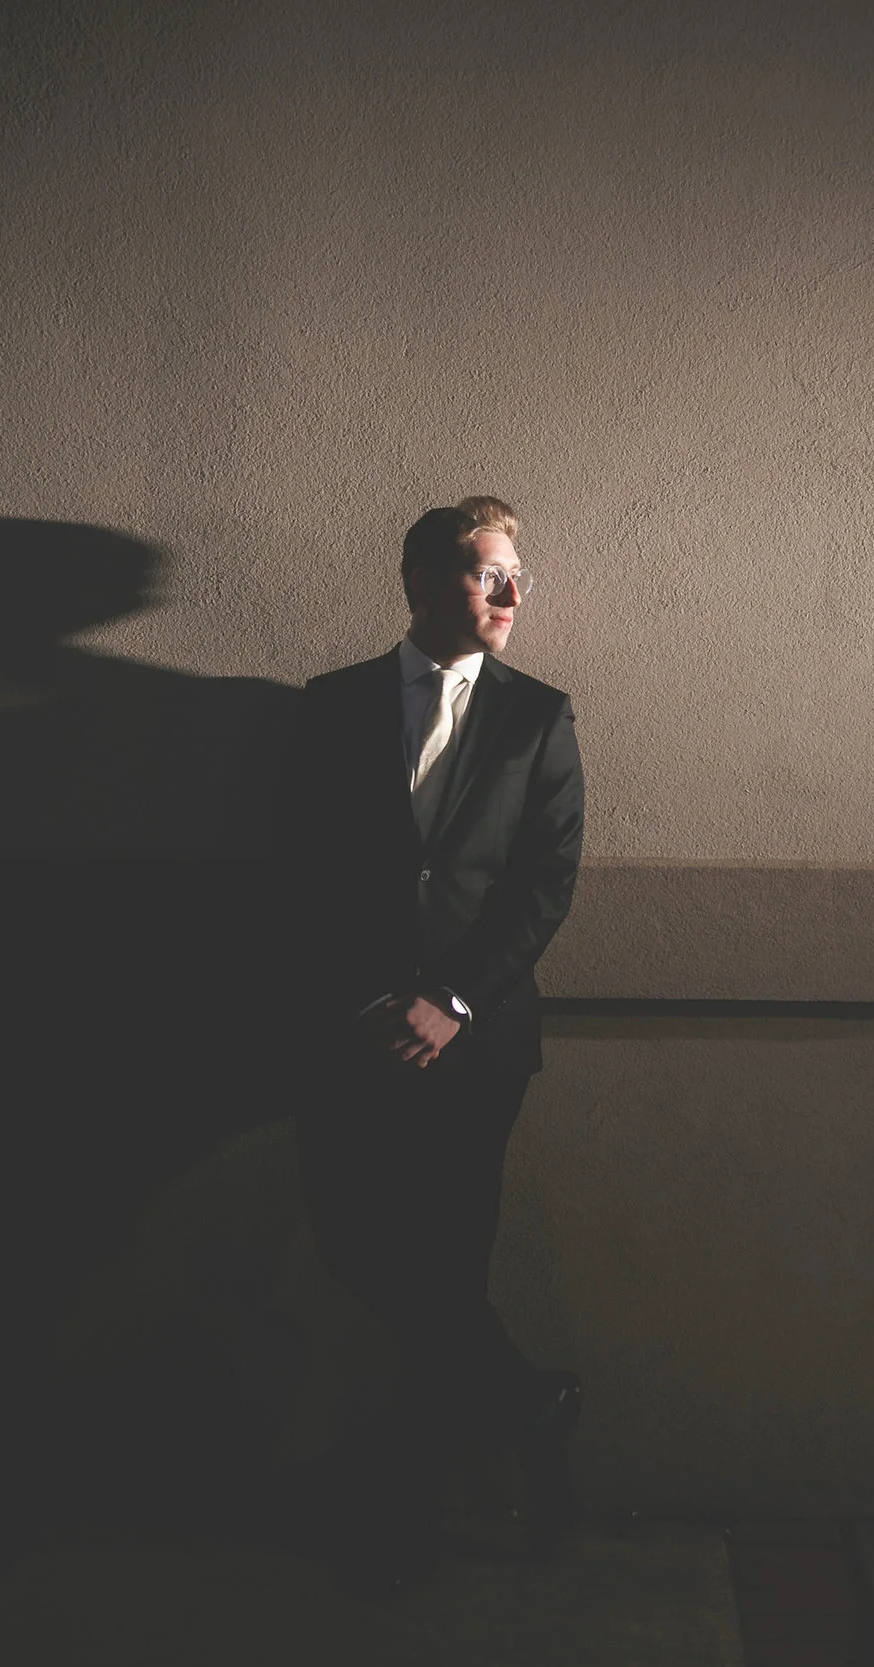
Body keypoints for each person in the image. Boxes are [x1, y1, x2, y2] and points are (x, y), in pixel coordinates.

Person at [274, 495, 586, 1586]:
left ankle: (406, 1516)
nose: (511, 593)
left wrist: (451, 998)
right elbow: (295, 867)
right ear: (419, 581)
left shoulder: (539, 715)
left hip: (477, 1044)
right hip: (350, 1034)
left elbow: (545, 881)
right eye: (486, 572)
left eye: (518, 575)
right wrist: (365, 998)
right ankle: (527, 1401)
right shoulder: (332, 705)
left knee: (447, 1262)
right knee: (356, 1244)